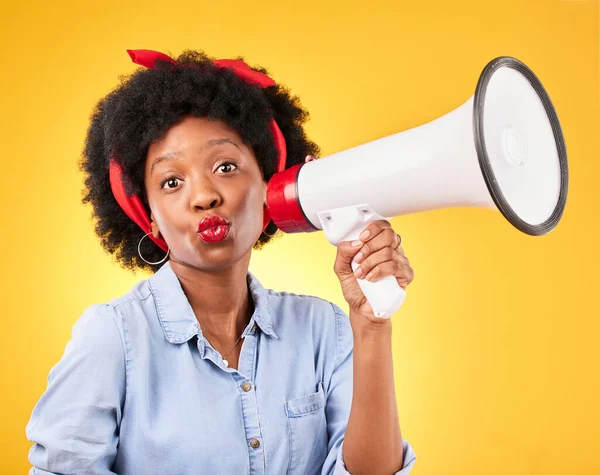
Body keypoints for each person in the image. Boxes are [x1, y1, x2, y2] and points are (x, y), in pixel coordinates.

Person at [25, 49, 417, 475]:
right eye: (171, 181)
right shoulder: (113, 339)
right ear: (149, 216)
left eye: (226, 166)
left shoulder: (324, 331)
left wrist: (372, 325)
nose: (204, 195)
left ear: (269, 183)